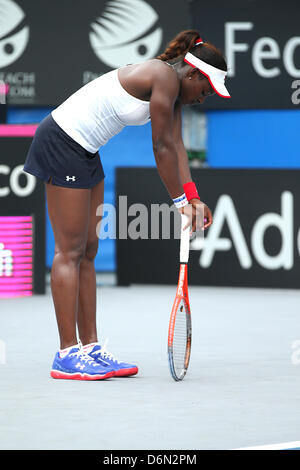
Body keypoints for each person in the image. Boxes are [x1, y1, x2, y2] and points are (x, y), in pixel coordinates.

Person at [23, 29, 230, 380]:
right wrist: (181, 202)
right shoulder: (164, 75)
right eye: (206, 89)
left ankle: (91, 348)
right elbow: (161, 147)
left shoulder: (174, 89)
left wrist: (193, 197)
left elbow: (177, 146)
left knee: (88, 251)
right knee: (69, 252)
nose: (204, 98)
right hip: (61, 141)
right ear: (192, 74)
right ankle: (66, 354)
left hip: (86, 151)